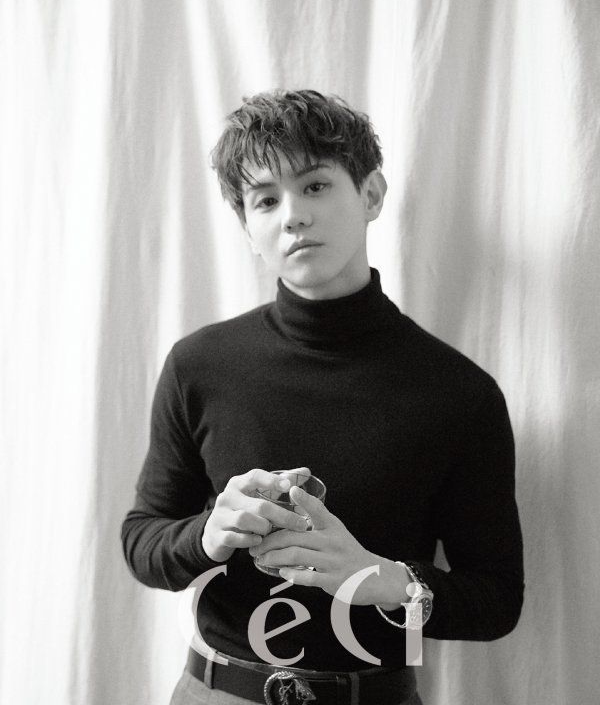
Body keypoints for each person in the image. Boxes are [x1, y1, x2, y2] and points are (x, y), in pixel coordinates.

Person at [121, 89, 524, 705]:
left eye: (314, 186)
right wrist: (208, 534)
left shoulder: (459, 393)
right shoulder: (198, 365)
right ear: (248, 227)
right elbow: (142, 541)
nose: (293, 216)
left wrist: (383, 579)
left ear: (371, 194)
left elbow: (497, 600)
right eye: (265, 199)